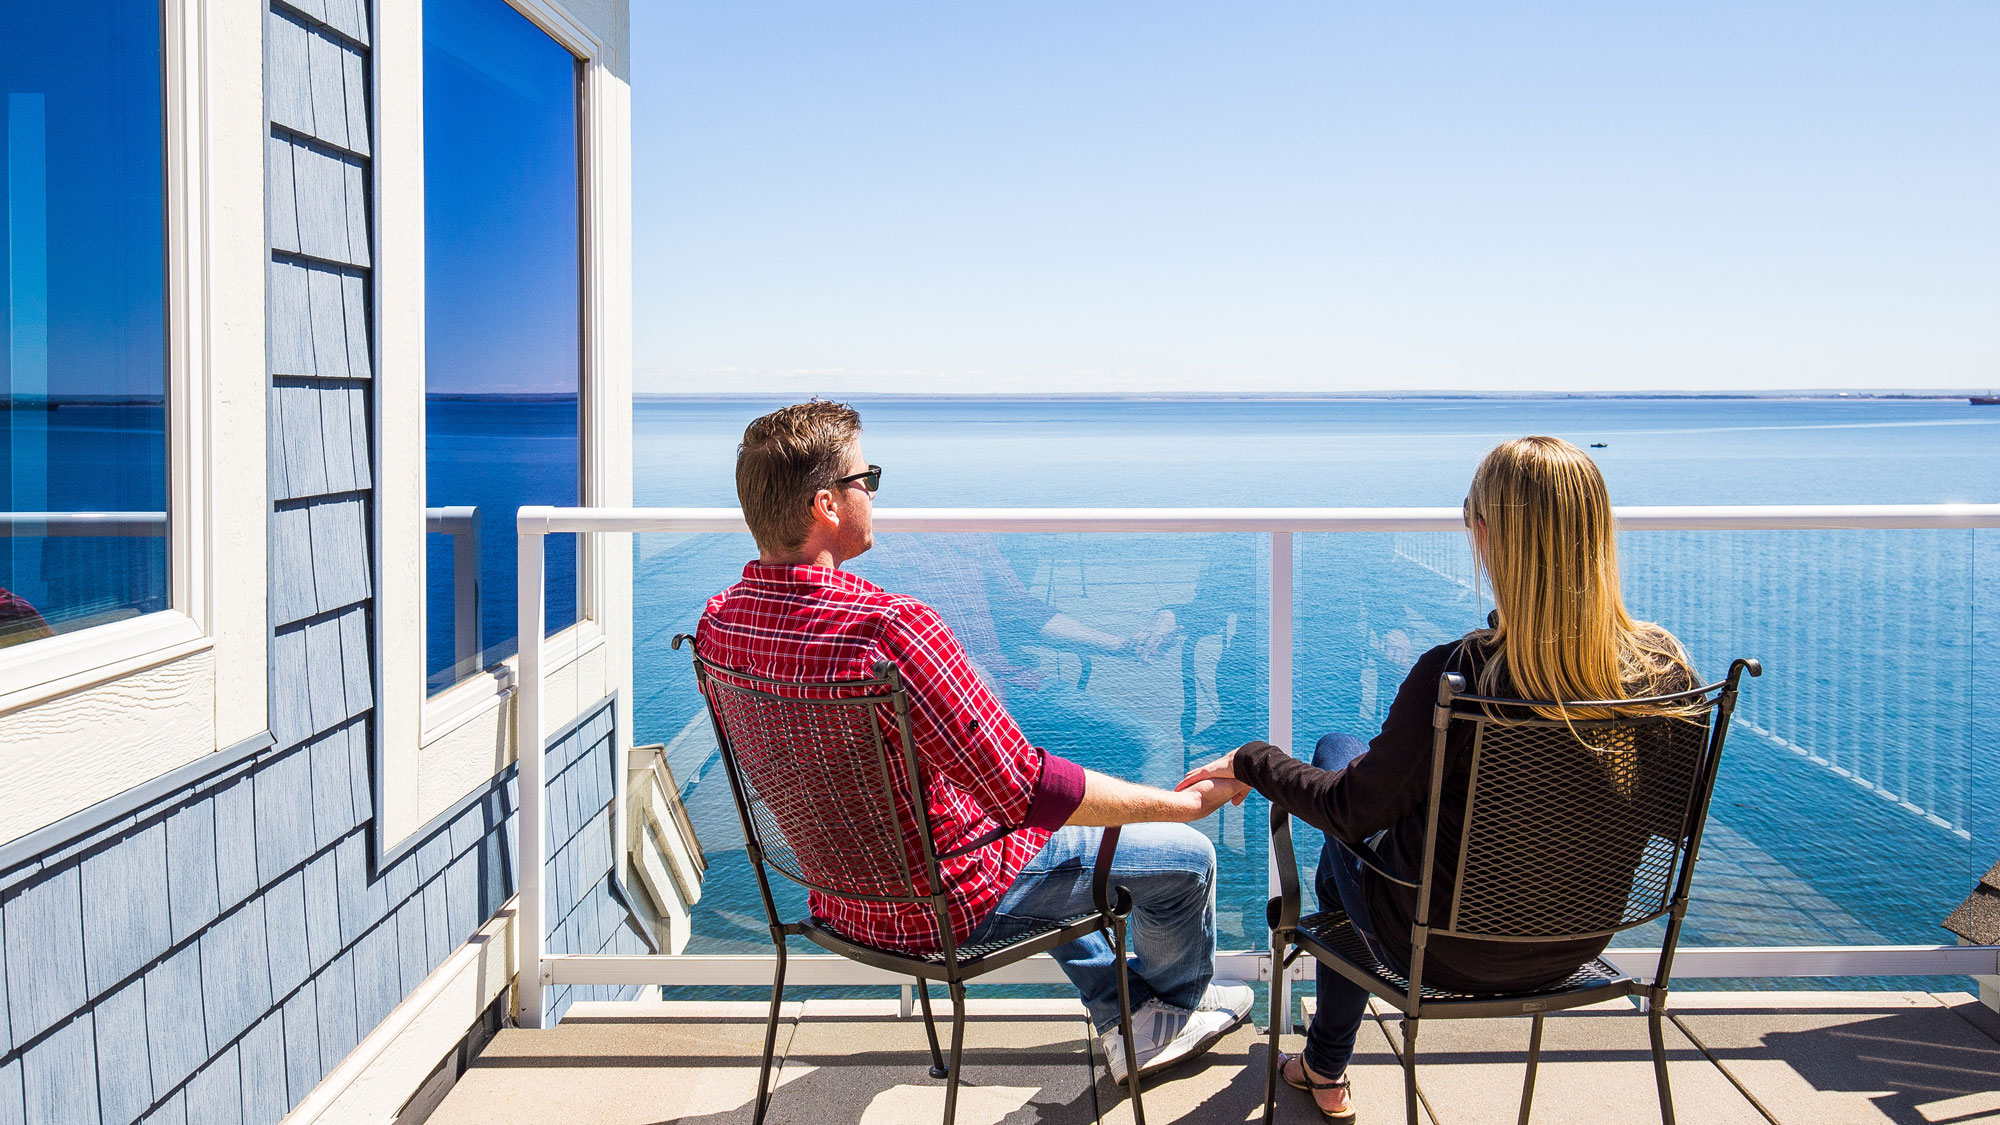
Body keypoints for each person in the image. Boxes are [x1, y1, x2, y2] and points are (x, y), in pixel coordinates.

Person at [695, 400, 1255, 1085]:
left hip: (833, 898)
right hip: (945, 902)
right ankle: (1168, 1014)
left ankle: (1124, 1005)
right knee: (1186, 861)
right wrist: (1183, 805)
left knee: (1034, 850)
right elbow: (1027, 789)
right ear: (827, 506)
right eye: (864, 477)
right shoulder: (890, 627)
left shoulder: (721, 622)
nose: (872, 490)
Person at [1181, 436, 1700, 1122]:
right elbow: (1674, 820)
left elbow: (1351, 811)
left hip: (1442, 951)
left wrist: (1251, 759)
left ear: (1487, 535)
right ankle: (1323, 1065)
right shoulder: (1662, 675)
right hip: (1579, 942)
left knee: (1341, 810)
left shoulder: (1460, 678)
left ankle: (1324, 1062)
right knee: (1354, 770)